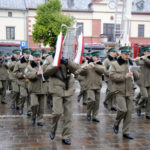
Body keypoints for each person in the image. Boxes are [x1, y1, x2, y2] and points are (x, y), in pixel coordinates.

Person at [44, 55, 79, 145]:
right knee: (57, 112)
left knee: (68, 115)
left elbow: (77, 70)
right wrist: (56, 64)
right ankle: (53, 129)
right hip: (56, 89)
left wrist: (68, 62)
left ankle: (66, 136)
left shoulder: (68, 57)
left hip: (68, 89)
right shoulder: (49, 58)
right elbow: (46, 72)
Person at [109, 46, 139, 139]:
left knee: (129, 113)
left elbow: (138, 77)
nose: (127, 56)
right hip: (119, 90)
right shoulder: (114, 64)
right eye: (126, 54)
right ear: (121, 54)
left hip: (129, 91)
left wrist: (134, 71)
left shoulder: (131, 63)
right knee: (123, 110)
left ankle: (126, 131)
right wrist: (124, 76)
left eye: (128, 54)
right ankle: (116, 123)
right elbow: (112, 76)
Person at [79, 51, 105, 123]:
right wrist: (84, 68)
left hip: (98, 85)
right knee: (91, 100)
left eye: (98, 57)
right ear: (92, 57)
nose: (97, 58)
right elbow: (81, 73)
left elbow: (103, 71)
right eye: (96, 57)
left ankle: (95, 116)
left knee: (97, 103)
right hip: (90, 86)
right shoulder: (87, 64)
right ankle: (88, 113)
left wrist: (95, 66)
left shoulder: (100, 64)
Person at [25, 50, 47, 126]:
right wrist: (36, 73)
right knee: (34, 104)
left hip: (43, 89)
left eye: (39, 57)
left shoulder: (44, 65)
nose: (37, 58)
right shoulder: (29, 66)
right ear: (33, 57)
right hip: (33, 89)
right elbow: (27, 75)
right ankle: (33, 116)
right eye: (36, 57)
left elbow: (49, 74)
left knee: (41, 107)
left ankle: (40, 119)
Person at [13, 48, 32, 115]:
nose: (28, 55)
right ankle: (20, 107)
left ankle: (29, 111)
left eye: (29, 53)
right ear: (23, 54)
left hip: (31, 82)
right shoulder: (19, 63)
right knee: (23, 96)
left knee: (30, 97)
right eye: (26, 54)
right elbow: (14, 73)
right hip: (22, 82)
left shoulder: (32, 62)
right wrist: (22, 75)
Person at [135, 46, 150, 119]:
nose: (149, 53)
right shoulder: (140, 59)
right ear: (144, 52)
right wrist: (137, 60)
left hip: (149, 81)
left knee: (149, 99)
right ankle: (138, 106)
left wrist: (146, 59)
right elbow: (136, 66)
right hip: (142, 81)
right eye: (147, 52)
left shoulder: (148, 59)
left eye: (149, 52)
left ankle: (148, 113)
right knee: (145, 96)